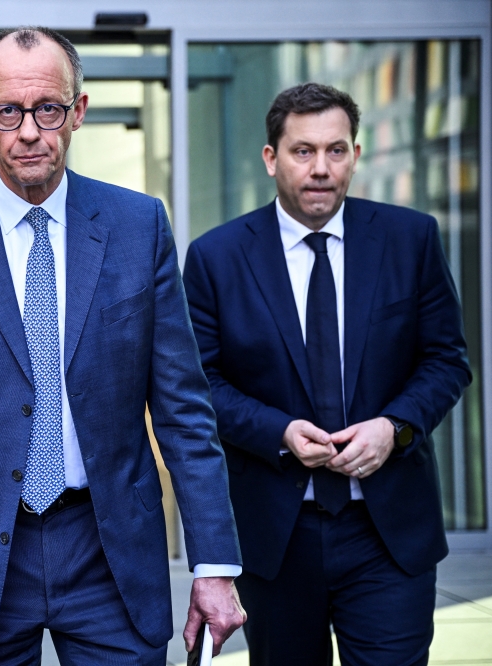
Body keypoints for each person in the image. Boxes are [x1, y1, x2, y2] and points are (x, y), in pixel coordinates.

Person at [0, 26, 245, 666]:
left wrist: (215, 563)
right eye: (8, 111)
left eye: (48, 109)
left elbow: (183, 410)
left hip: (110, 549)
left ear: (78, 111)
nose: (29, 131)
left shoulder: (139, 226)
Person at [182, 83, 471, 666]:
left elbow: (446, 360)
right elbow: (201, 385)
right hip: (276, 536)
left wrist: (395, 427)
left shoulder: (410, 239)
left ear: (356, 155)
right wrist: (279, 432)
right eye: (303, 151)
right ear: (271, 158)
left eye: (336, 151)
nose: (321, 169)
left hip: (387, 531)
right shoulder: (216, 258)